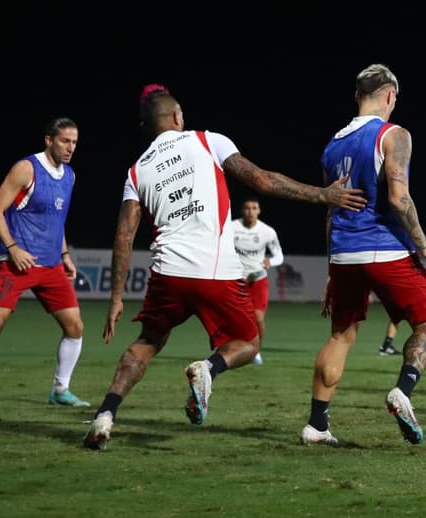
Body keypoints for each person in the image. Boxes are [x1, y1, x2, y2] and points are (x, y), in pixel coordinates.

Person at [83, 84, 366, 450]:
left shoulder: (136, 171)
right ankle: (209, 369)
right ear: (177, 117)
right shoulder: (207, 141)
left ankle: (105, 416)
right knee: (248, 342)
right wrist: (323, 194)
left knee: (148, 341)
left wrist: (116, 297)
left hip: (168, 272)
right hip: (214, 271)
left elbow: (124, 236)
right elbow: (263, 180)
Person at [301, 63, 426, 446]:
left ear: (356, 97)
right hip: (385, 249)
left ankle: (317, 425)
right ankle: (402, 390)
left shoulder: (332, 145)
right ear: (390, 96)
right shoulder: (394, 135)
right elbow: (399, 198)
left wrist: (332, 271)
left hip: (344, 255)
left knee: (340, 336)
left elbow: (331, 209)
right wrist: (425, 246)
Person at [0, 117, 90, 412]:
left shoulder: (70, 176)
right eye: (65, 141)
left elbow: (57, 222)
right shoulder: (27, 168)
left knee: (75, 326)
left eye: (75, 142)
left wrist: (64, 255)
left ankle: (60, 389)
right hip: (17, 263)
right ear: (49, 140)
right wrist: (13, 248)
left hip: (51, 266)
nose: (70, 148)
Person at [232, 195, 284, 365]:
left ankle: (256, 351)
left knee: (258, 318)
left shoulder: (267, 232)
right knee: (235, 319)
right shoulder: (232, 228)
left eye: (254, 208)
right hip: (237, 279)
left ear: (259, 211)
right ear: (242, 210)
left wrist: (271, 261)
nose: (250, 212)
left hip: (258, 281)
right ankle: (234, 349)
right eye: (247, 208)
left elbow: (279, 256)